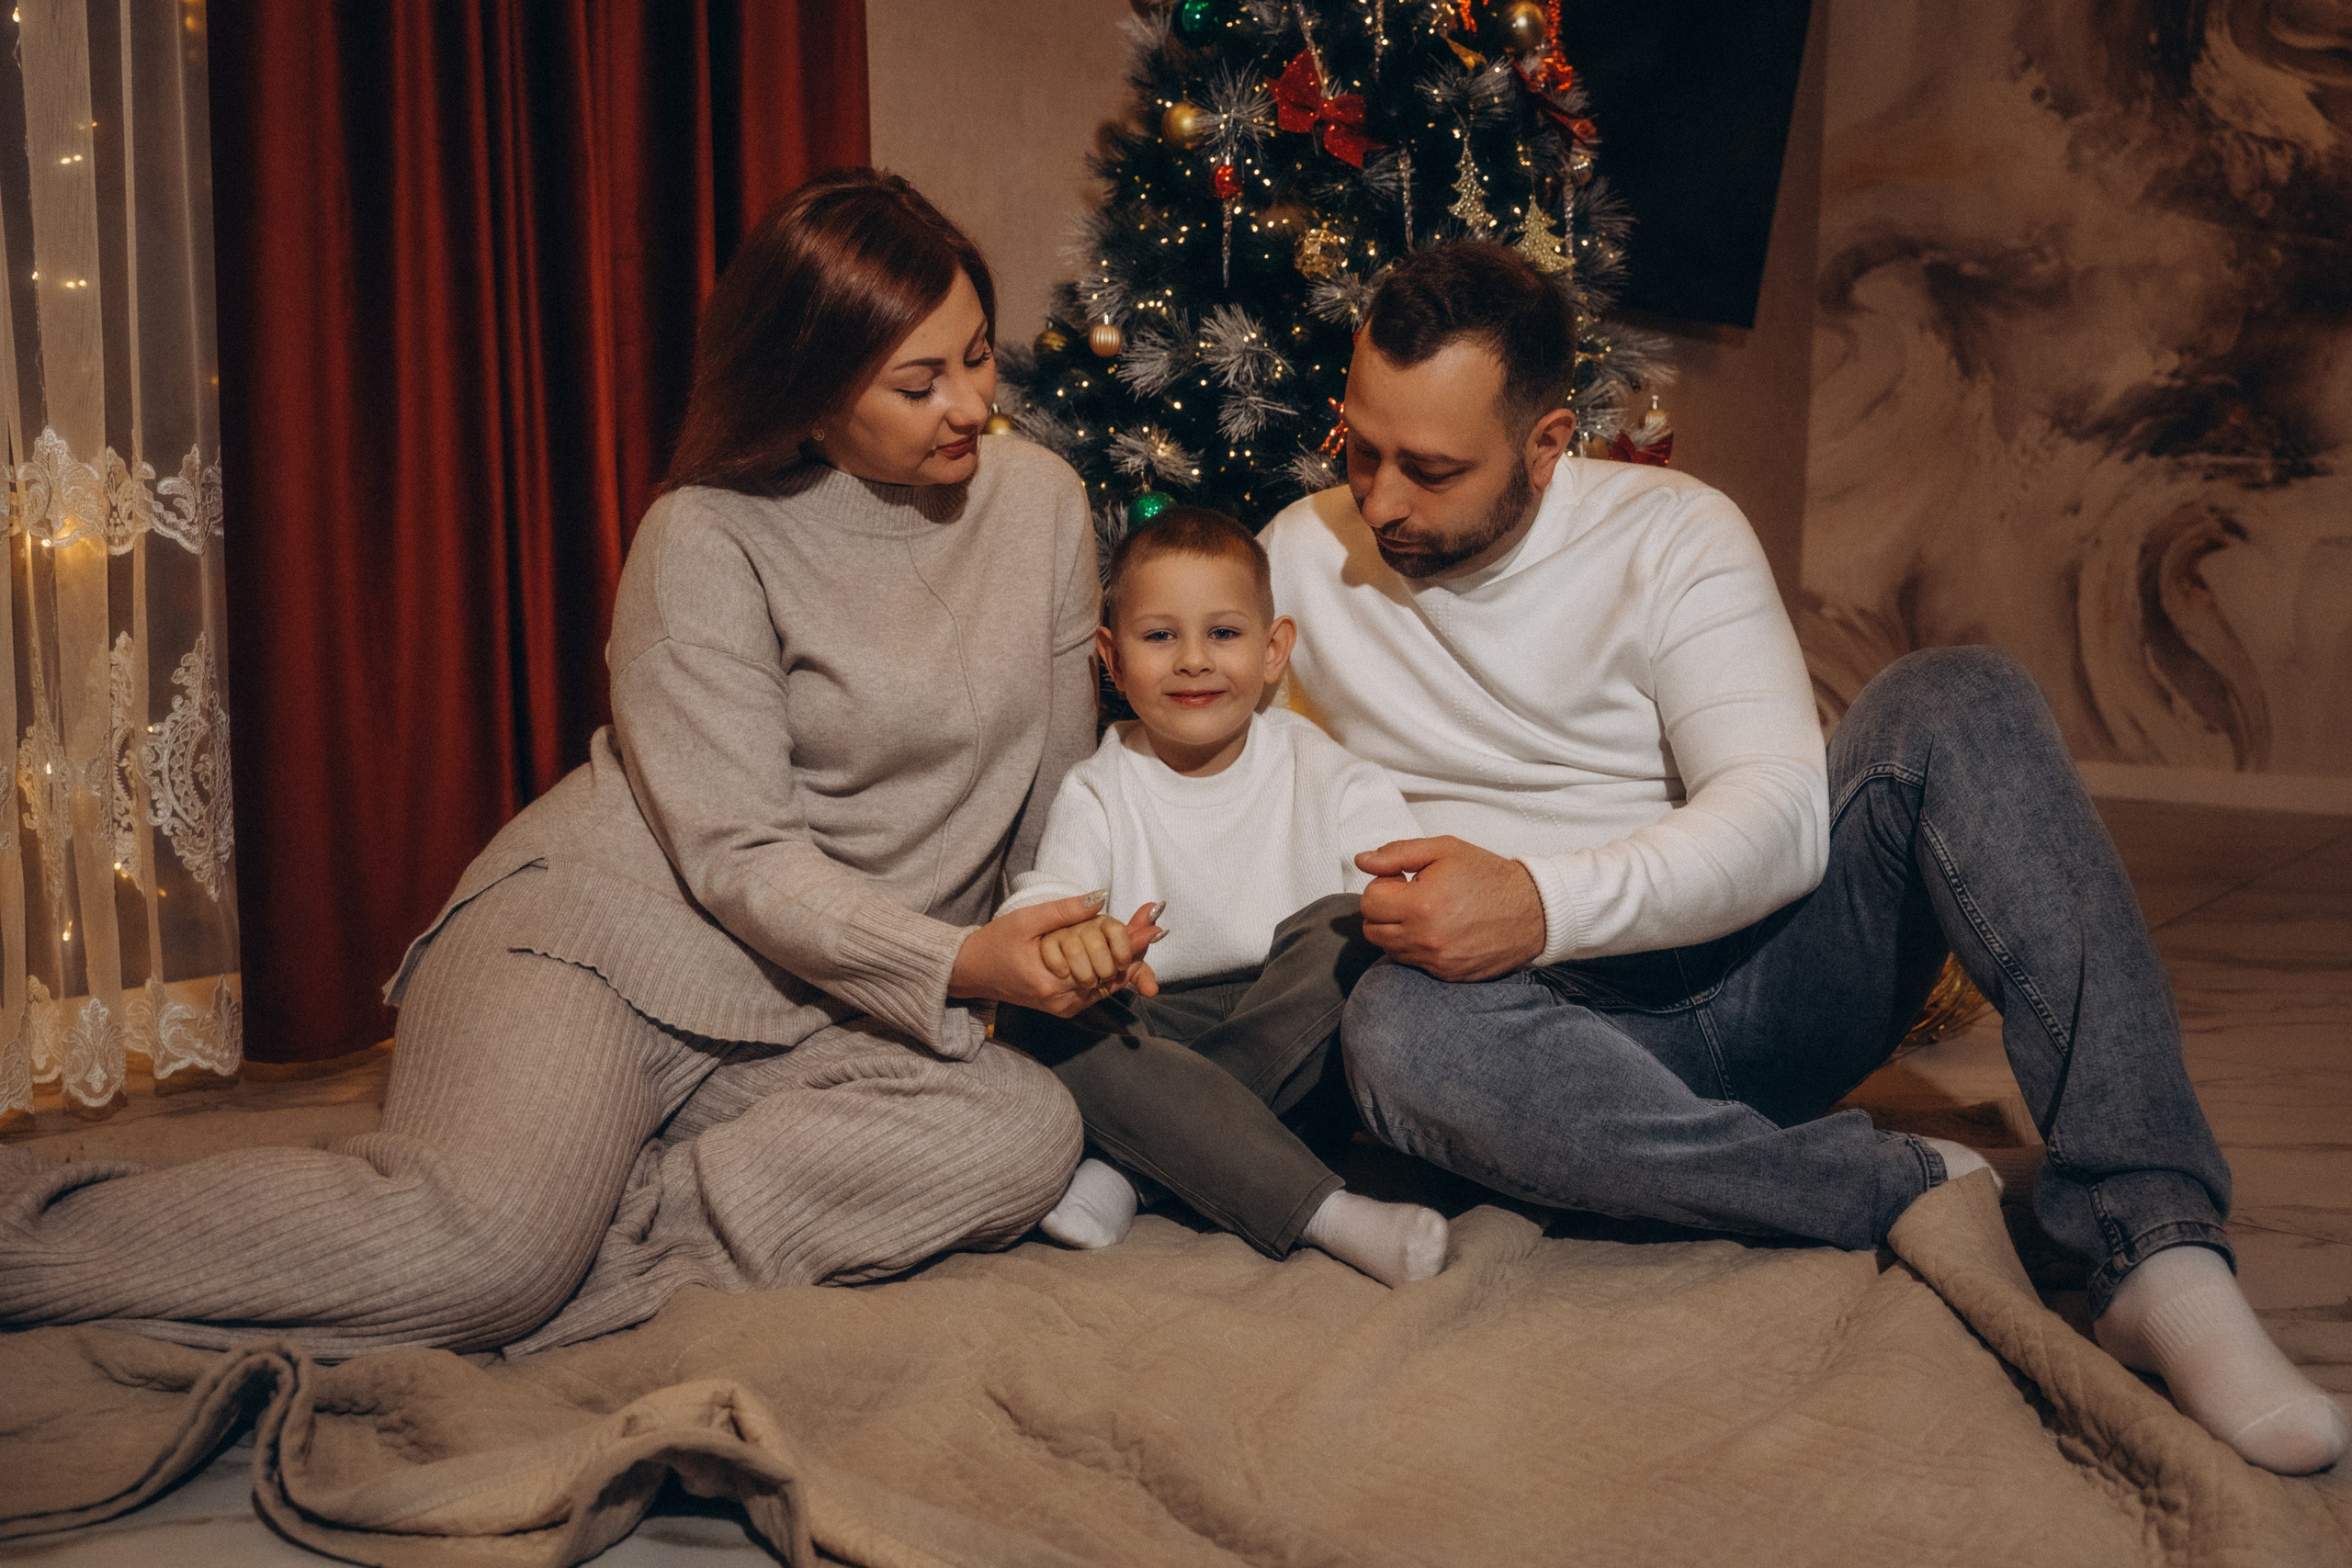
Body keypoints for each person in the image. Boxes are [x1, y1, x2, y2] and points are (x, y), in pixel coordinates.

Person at [1261, 241, 2349, 1475]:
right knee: (1398, 1033)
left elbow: (1781, 821)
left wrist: (1537, 899)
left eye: (1432, 467)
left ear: (1550, 441)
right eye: (1359, 446)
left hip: (1767, 976)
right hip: (1545, 1048)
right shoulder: (1294, 555)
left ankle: (2159, 1247)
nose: (1384, 498)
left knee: (1963, 696)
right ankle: (1864, 1185)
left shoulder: (1671, 534)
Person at [0, 170, 1110, 1359]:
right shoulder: (704, 534)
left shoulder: (1041, 504)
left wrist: (1047, 925)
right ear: (810, 390)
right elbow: (739, 855)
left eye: (980, 357)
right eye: (920, 380)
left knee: (1023, 1130)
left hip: (825, 1006)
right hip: (602, 942)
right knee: (475, 1259)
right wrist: (952, 957)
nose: (970, 403)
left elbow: (1057, 777)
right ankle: (35, 1239)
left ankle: (588, 1235)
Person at [995, 509, 1448, 1287]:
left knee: (1349, 926)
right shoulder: (1100, 787)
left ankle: (1139, 1168)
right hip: (1151, 1029)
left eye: (1225, 634)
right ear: (1112, 657)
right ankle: (1324, 1213)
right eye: (1160, 636)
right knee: (1038, 1014)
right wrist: (1077, 942)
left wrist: (1388, 903)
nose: (1194, 661)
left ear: (1275, 651)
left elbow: (1396, 888)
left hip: (1293, 1035)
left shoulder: (1321, 767)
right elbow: (1048, 902)